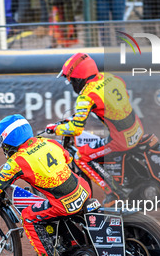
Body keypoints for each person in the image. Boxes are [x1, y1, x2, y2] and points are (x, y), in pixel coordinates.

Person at [0, 114, 92, 256]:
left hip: (64, 203)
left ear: (8, 141)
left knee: (28, 216)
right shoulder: (49, 142)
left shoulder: (18, 161)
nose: (2, 147)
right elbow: (67, 158)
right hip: (83, 189)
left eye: (2, 143)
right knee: (47, 199)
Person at [48, 53, 144, 206]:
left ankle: (114, 193)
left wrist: (56, 129)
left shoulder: (87, 95)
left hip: (121, 140)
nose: (71, 83)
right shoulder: (111, 78)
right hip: (137, 130)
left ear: (79, 78)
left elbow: (76, 129)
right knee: (97, 144)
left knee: (80, 156)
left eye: (71, 80)